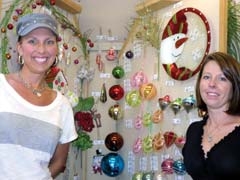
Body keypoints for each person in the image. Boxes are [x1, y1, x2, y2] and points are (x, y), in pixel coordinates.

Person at [0, 13, 78, 179]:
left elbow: (59, 162)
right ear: (20, 47)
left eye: (49, 42)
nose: (41, 49)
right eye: (32, 41)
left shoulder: (62, 105)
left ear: (56, 49)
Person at [182, 51, 240, 179]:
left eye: (222, 78)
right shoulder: (194, 130)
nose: (212, 84)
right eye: (207, 77)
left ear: (234, 86)